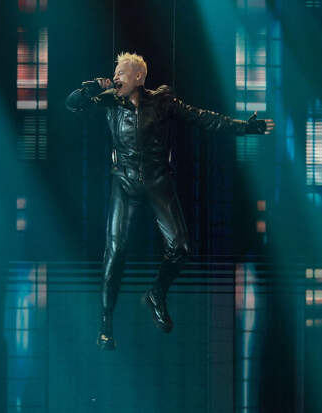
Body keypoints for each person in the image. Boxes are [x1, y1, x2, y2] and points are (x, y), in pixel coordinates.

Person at [66, 52, 274, 350]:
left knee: (181, 248)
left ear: (139, 76)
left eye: (122, 72)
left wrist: (245, 127)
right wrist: (89, 90)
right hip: (124, 182)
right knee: (115, 250)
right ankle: (105, 322)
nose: (116, 77)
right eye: (115, 72)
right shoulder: (109, 100)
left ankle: (156, 294)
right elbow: (72, 104)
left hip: (157, 181)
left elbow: (203, 118)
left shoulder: (162, 102)